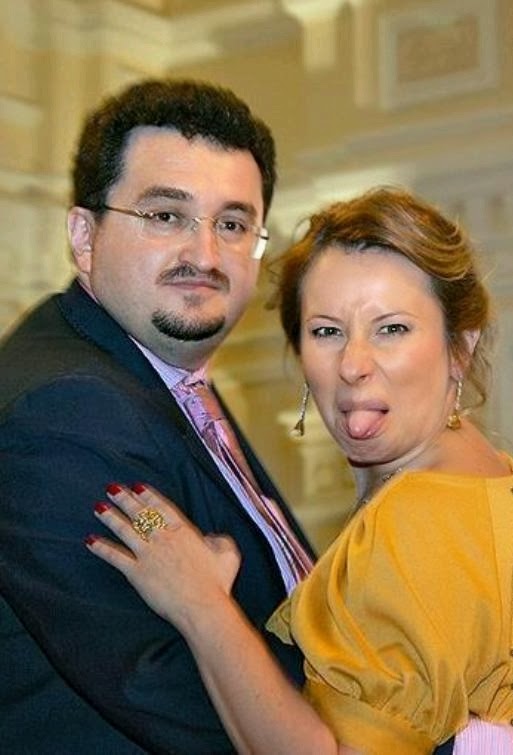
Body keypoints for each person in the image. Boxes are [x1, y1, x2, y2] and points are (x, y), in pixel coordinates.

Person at [85, 187, 513, 754]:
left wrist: (201, 605)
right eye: (326, 331)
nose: (353, 365)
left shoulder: (416, 520)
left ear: (460, 347)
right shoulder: (489, 478)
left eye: (392, 328)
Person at [0, 78, 316, 754]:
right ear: (84, 235)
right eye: (166, 216)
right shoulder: (66, 408)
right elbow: (166, 691)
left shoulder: (162, 377)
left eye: (232, 225)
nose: (204, 256)